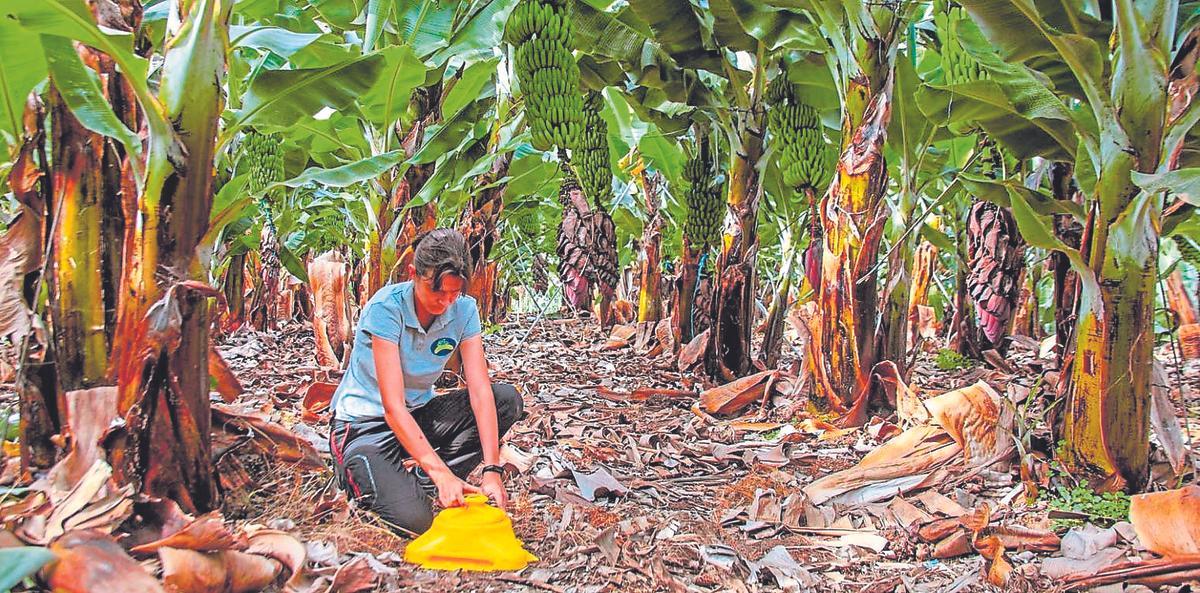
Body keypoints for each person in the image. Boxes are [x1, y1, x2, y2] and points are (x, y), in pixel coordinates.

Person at [328, 228, 523, 534]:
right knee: (415, 522)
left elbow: (480, 391)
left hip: (417, 417)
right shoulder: (386, 309)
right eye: (437, 291)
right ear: (413, 274)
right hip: (365, 426)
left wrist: (492, 469)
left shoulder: (464, 310)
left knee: (506, 401)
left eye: (454, 293)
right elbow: (392, 407)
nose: (445, 302)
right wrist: (440, 472)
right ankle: (381, 476)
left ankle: (421, 481)